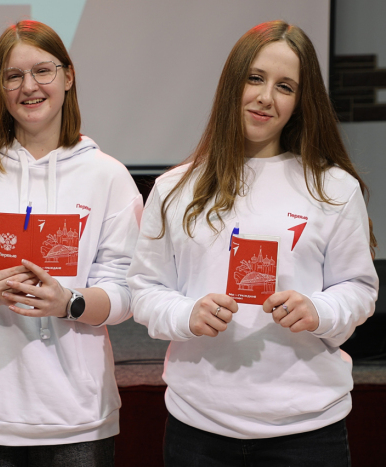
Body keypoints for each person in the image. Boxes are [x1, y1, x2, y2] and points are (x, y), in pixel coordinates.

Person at [127, 20, 379, 466]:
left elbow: (359, 289)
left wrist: (317, 309)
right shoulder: (174, 189)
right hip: (199, 429)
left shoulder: (334, 188)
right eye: (255, 78)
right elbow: (145, 291)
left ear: (300, 101)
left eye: (285, 86)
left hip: (308, 431)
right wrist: (188, 314)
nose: (266, 97)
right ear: (232, 84)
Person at [0, 20, 142, 467]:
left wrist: (68, 302)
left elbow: (127, 291)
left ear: (68, 76)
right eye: (13, 76)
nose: (29, 86)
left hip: (78, 416)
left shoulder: (108, 175)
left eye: (43, 71)